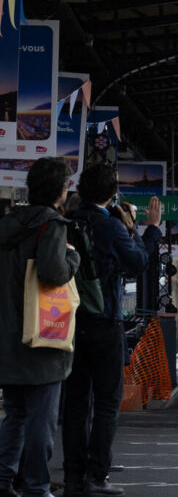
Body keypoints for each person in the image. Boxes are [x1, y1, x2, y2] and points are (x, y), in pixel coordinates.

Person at [62, 165, 161, 497]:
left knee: (76, 402)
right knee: (107, 401)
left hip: (71, 323)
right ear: (112, 193)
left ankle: (74, 477)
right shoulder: (111, 227)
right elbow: (137, 263)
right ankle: (97, 474)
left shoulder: (69, 222)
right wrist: (148, 230)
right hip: (105, 323)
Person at [0, 158, 80, 497]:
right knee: (40, 422)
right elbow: (51, 272)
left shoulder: (7, 224)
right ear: (61, 192)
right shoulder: (52, 226)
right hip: (42, 340)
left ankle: (3, 481)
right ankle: (36, 486)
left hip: (7, 339)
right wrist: (73, 257)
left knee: (14, 416)